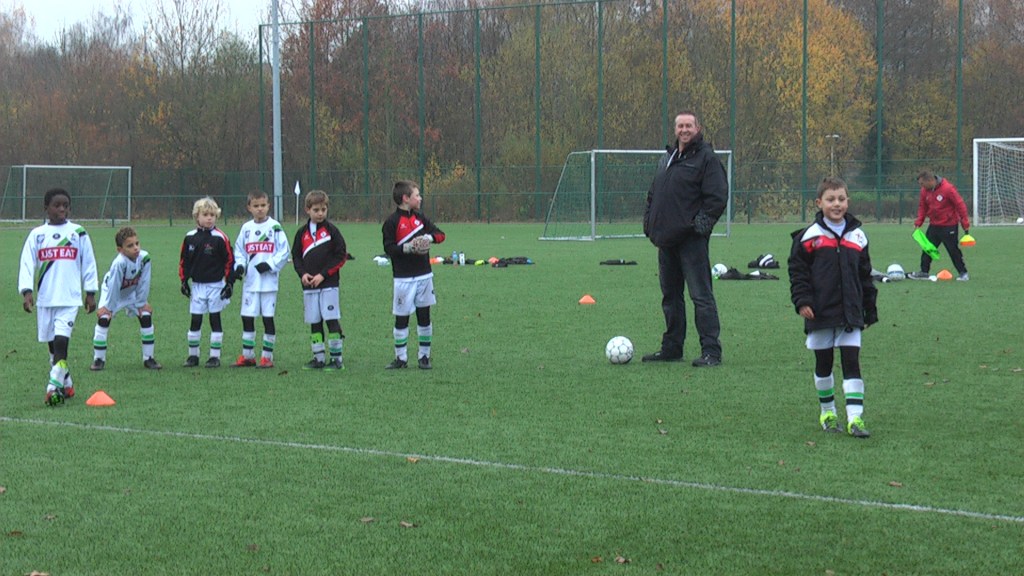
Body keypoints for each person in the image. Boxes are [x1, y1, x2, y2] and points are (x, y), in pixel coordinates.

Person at [788, 177, 878, 438]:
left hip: (850, 313)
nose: (836, 204)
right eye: (830, 199)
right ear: (819, 203)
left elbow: (865, 276)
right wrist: (802, 301)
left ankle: (855, 419)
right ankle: (827, 413)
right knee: (824, 363)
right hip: (821, 312)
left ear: (848, 201)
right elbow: (798, 273)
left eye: (841, 199)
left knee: (852, 362)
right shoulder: (808, 237)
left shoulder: (858, 236)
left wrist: (869, 308)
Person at [641, 110, 728, 366]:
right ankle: (672, 348)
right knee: (670, 297)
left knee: (701, 296)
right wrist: (649, 223)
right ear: (675, 129)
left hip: (691, 241)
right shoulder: (667, 158)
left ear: (697, 128)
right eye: (680, 126)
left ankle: (711, 351)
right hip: (666, 240)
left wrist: (699, 227)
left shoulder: (707, 158)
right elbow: (653, 193)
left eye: (689, 125)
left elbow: (717, 197)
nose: (684, 130)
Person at [18, 187, 98, 405]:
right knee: (53, 346)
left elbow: (89, 263)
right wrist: (27, 291)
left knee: (62, 342)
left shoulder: (78, 232)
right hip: (46, 299)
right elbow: (27, 263)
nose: (62, 209)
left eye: (66, 205)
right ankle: (67, 384)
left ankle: (53, 387)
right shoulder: (37, 234)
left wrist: (90, 292)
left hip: (69, 299)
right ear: (46, 208)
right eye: (57, 205)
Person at [381, 180, 446, 370]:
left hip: (424, 276)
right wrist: (407, 248)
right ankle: (400, 358)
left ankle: (424, 357)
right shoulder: (392, 222)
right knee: (401, 318)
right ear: (405, 198)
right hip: (403, 279)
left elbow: (441, 235)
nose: (420, 198)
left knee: (424, 316)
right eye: (417, 195)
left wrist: (428, 238)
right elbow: (388, 248)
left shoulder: (420, 218)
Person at [231, 190, 290, 369]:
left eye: (263, 205)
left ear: (268, 206)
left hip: (268, 283)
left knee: (267, 318)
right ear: (249, 207)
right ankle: (248, 356)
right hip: (251, 282)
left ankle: (267, 357)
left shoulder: (275, 227)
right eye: (256, 206)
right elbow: (239, 250)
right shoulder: (246, 228)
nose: (260, 209)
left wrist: (270, 265)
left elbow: (284, 251)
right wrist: (239, 266)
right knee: (247, 317)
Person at [90, 226, 162, 371]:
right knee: (104, 318)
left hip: (132, 292)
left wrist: (141, 303)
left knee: (145, 316)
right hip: (112, 292)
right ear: (120, 250)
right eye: (130, 246)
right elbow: (114, 285)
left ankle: (149, 358)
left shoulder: (145, 258)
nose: (136, 248)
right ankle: (99, 359)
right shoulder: (119, 263)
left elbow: (144, 282)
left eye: (137, 243)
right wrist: (109, 308)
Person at [292, 189, 348, 371]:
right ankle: (318, 358)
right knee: (315, 321)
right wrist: (303, 274)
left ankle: (336, 359)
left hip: (329, 285)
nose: (320, 213)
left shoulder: (332, 231)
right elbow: (296, 257)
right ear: (307, 210)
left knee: (331, 320)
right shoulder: (301, 233)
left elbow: (341, 255)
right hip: (309, 287)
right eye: (316, 210)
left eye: (323, 209)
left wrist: (323, 274)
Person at [179, 196, 234, 368]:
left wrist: (229, 283)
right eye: (205, 215)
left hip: (215, 285)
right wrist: (184, 281)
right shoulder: (190, 237)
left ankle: (214, 356)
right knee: (195, 320)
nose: (209, 218)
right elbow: (184, 261)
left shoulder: (220, 238)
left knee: (214, 319)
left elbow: (229, 261)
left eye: (212, 215)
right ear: (197, 216)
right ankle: (193, 356)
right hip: (197, 286)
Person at [908, 170, 970, 281]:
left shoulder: (948, 189)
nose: (921, 186)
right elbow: (923, 207)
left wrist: (965, 222)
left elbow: (960, 205)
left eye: (922, 183)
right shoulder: (924, 191)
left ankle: (963, 273)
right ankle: (924, 272)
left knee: (953, 250)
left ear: (930, 180)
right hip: (934, 225)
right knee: (927, 248)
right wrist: (919, 222)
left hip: (949, 225)